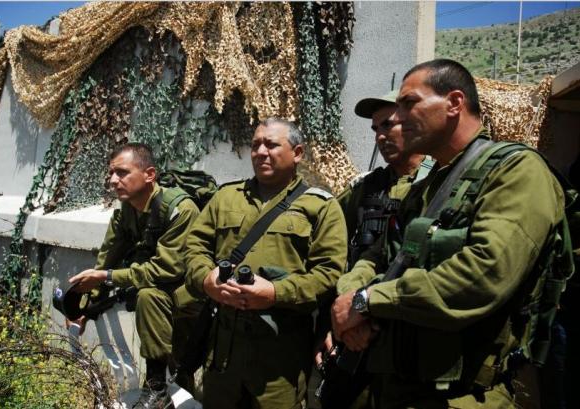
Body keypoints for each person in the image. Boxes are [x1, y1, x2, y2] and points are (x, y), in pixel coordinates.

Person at [331, 59, 565, 408]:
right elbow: (379, 255)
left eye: (409, 104)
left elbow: (484, 275)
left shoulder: (516, 172)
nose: (399, 118)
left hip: (463, 395)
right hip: (396, 383)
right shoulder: (427, 186)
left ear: (454, 103)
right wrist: (349, 299)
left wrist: (367, 302)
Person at [184, 118, 347, 409]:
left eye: (271, 144)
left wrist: (275, 293)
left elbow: (329, 274)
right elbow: (195, 247)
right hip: (223, 352)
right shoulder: (226, 197)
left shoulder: (321, 207)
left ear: (297, 153)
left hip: (279, 357)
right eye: (256, 145)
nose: (260, 152)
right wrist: (207, 280)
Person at [314, 90, 430, 409]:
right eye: (375, 128)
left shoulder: (439, 183)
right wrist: (331, 323)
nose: (380, 135)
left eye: (388, 125)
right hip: (354, 333)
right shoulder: (367, 187)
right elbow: (331, 248)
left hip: (407, 335)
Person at [68, 143, 200, 408]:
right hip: (161, 288)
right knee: (150, 299)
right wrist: (86, 306)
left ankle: (157, 386)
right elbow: (108, 257)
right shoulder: (127, 210)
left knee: (149, 299)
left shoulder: (181, 209)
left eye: (122, 172)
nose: (113, 180)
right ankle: (166, 386)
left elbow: (167, 269)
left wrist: (106, 277)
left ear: (149, 174)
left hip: (195, 292)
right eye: (111, 173)